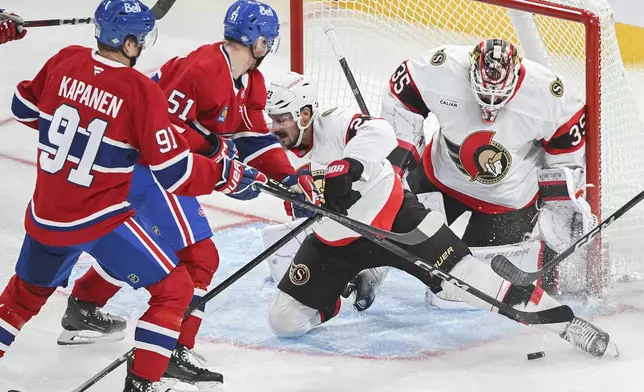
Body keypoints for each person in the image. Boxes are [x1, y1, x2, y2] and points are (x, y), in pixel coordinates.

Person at [3, 1, 265, 391]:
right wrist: (226, 173)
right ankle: (143, 383)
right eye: (140, 39)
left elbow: (23, 108)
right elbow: (174, 171)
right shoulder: (138, 90)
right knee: (174, 289)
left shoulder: (65, 60)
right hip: (98, 219)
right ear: (128, 44)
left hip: (45, 214)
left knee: (22, 297)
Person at [56, 0, 318, 388]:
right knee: (199, 257)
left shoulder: (250, 80)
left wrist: (290, 178)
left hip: (163, 169)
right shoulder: (204, 69)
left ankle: (84, 306)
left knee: (154, 248)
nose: (271, 44)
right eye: (268, 39)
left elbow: (252, 138)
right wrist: (218, 159)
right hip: (140, 166)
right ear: (258, 40)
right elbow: (160, 129)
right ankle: (171, 350)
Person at [262, 71, 614, 359]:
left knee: (471, 282)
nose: (275, 128)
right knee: (284, 321)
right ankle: (341, 286)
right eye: (272, 119)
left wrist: (349, 166)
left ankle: (566, 324)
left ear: (304, 114)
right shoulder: (274, 154)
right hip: (336, 243)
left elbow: (379, 130)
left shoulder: (333, 123)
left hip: (400, 223)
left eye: (281, 119)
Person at [380, 39, 597, 303]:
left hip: (506, 203)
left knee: (474, 290)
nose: (490, 105)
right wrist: (398, 158)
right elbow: (403, 96)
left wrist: (562, 201)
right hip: (439, 181)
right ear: (470, 72)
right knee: (389, 234)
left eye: (499, 97)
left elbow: (566, 154)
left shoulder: (548, 96)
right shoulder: (442, 68)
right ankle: (366, 269)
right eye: (483, 94)